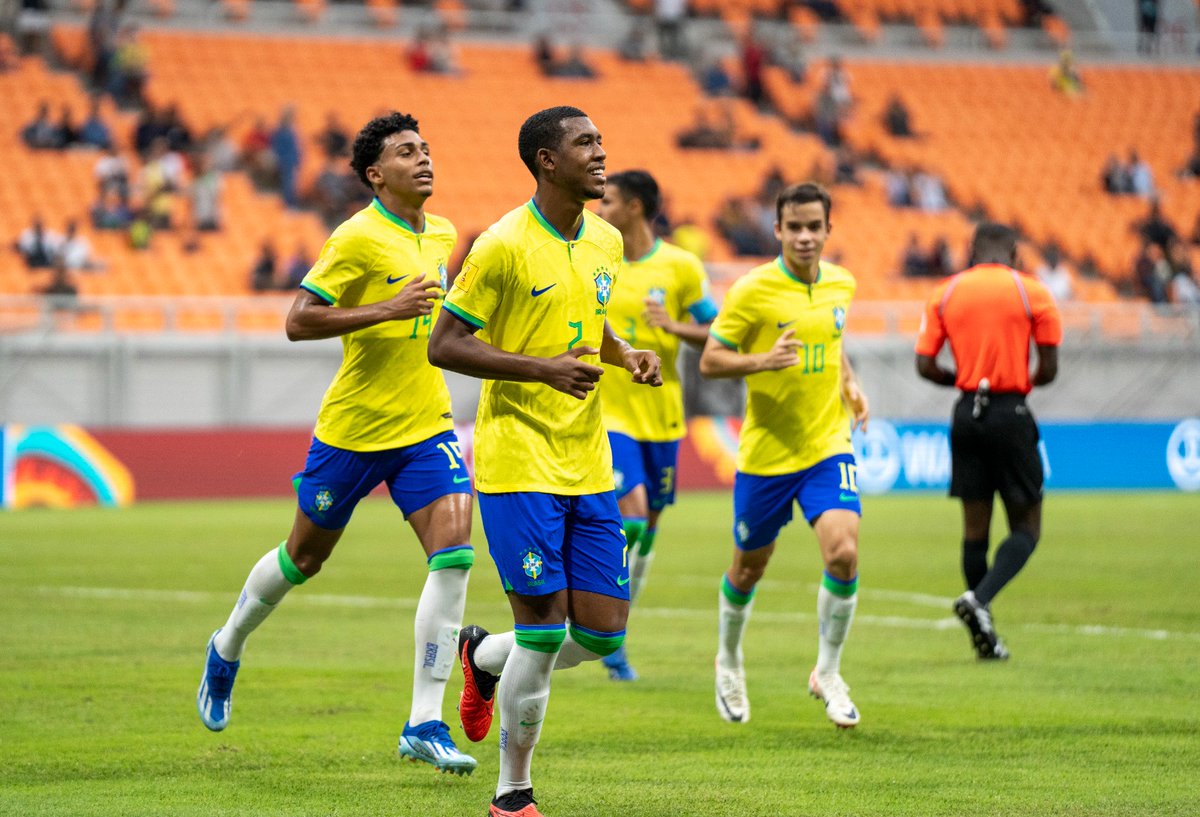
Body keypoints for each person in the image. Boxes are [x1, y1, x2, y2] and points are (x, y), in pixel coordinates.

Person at [196, 111, 479, 777]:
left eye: (426, 147)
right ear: (376, 174)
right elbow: (298, 320)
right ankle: (227, 642)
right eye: (408, 152)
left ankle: (423, 720)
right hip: (353, 432)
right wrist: (384, 309)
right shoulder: (355, 237)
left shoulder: (440, 232)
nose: (424, 158)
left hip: (426, 426)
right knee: (304, 558)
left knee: (456, 553)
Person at [427, 105, 662, 817]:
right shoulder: (500, 245)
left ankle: (482, 657)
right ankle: (512, 793)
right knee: (543, 628)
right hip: (518, 460)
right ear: (545, 160)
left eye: (601, 140)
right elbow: (443, 343)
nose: (601, 153)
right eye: (585, 143)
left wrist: (624, 355)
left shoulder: (607, 241)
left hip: (588, 462)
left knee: (599, 631)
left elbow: (590, 318)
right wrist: (539, 370)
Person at [697, 182, 870, 729]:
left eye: (813, 227)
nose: (803, 236)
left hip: (827, 445)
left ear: (827, 230)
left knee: (843, 553)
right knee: (748, 569)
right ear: (777, 230)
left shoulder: (843, 283)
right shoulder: (753, 290)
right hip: (767, 454)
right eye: (793, 226)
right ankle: (728, 660)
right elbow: (711, 360)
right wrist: (763, 362)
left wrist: (851, 383)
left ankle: (828, 670)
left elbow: (834, 346)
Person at [915, 222, 1062, 661]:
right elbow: (1050, 367)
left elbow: (924, 365)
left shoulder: (944, 293)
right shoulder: (1032, 291)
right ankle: (978, 600)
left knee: (974, 530)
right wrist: (1019, 386)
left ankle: (984, 635)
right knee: (1027, 528)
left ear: (971, 252)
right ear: (1014, 253)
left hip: (965, 414)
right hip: (1010, 413)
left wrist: (962, 382)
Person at [593, 169, 718, 681]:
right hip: (609, 410)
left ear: (637, 207)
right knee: (635, 516)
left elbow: (716, 332)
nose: (601, 209)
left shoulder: (681, 267)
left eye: (611, 201)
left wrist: (674, 327)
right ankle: (596, 613)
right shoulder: (598, 255)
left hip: (663, 416)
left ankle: (616, 635)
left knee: (647, 535)